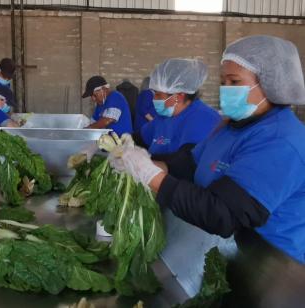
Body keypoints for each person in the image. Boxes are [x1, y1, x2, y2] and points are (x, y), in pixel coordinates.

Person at [109, 35, 305, 264]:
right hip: (237, 254)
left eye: (234, 82)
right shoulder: (232, 126)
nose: (225, 90)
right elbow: (191, 164)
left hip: (279, 269)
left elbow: (222, 213)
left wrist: (151, 176)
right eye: (223, 82)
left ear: (270, 84)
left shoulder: (281, 141)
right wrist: (147, 164)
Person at [133, 59, 221, 157]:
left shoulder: (204, 118)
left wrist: (148, 162)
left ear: (178, 97)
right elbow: (141, 138)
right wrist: (124, 142)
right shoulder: (164, 117)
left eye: (158, 95)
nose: (154, 99)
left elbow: (186, 161)